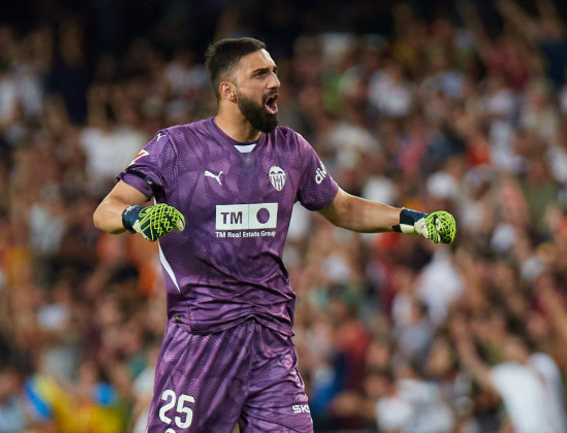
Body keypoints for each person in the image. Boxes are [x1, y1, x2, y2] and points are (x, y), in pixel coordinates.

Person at [93, 37, 455, 432]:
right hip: (201, 342)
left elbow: (344, 207)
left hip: (270, 343)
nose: (275, 81)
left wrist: (413, 219)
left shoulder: (291, 149)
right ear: (227, 91)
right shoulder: (177, 147)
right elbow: (105, 210)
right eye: (261, 73)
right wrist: (136, 218)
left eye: (275, 71)